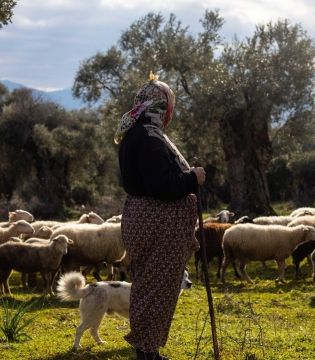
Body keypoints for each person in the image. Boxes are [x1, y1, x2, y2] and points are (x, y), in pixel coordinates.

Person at [116, 72, 206, 360]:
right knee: (157, 289)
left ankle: (148, 351)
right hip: (159, 223)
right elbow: (162, 185)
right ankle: (147, 353)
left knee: (148, 286)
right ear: (161, 105)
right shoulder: (150, 136)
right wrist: (193, 178)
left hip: (142, 219)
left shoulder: (134, 132)